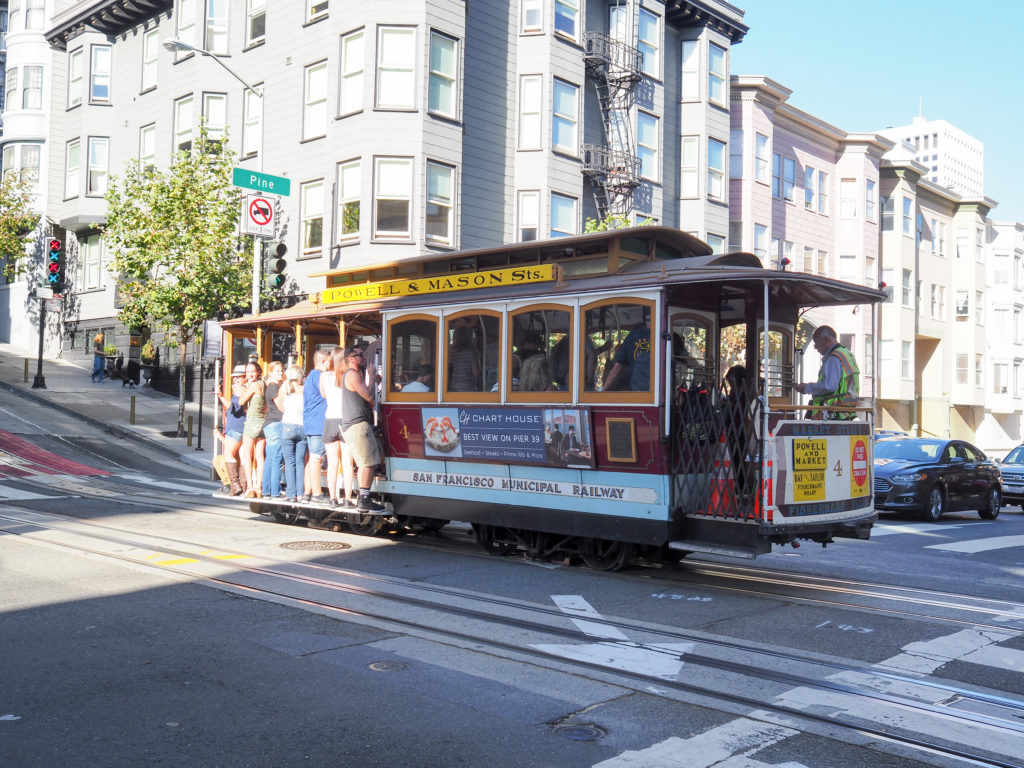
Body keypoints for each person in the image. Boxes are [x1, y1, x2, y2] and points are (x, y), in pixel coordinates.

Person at [338, 344, 386, 513]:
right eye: (360, 356)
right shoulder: (352, 375)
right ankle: (364, 500)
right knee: (368, 463)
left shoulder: (353, 375)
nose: (364, 358)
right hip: (357, 425)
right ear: (350, 358)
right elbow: (369, 397)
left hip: (357, 424)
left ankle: (364, 498)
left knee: (369, 462)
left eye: (363, 355)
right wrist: (372, 378)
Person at [794, 325, 860, 420]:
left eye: (816, 343)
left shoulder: (834, 357)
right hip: (845, 413)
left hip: (833, 414)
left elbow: (829, 386)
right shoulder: (846, 354)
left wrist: (806, 388)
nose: (815, 347)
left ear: (827, 340)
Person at [320, 347, 356, 510]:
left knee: (332, 463)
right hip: (345, 420)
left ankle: (333, 498)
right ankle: (348, 498)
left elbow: (323, 395)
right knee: (348, 463)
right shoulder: (348, 376)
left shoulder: (324, 376)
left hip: (330, 420)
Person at [302, 349, 331, 503]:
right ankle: (317, 494)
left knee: (312, 458)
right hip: (319, 422)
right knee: (315, 458)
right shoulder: (321, 376)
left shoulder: (310, 376)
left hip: (310, 422)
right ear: (324, 362)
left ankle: (307, 492)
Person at [214, 365, 248, 496]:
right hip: (245, 427)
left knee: (229, 455)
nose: (236, 380)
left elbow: (235, 409)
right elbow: (231, 408)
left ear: (244, 378)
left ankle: (235, 485)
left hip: (235, 427)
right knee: (244, 457)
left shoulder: (240, 390)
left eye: (239, 377)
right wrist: (221, 396)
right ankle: (245, 487)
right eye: (235, 378)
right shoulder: (248, 389)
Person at [278, 365, 307, 503]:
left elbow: (280, 407)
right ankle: (301, 494)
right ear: (299, 376)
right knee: (300, 462)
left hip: (287, 426)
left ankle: (291, 494)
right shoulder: (305, 390)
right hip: (303, 427)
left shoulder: (283, 389)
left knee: (289, 462)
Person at [238, 361, 267, 498]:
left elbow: (241, 401)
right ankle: (259, 487)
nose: (250, 374)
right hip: (262, 422)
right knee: (260, 456)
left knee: (247, 455)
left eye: (252, 371)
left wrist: (242, 388)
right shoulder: (263, 384)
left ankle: (250, 487)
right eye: (248, 371)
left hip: (252, 422)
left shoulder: (254, 385)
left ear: (258, 372)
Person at [603, 317, 651, 392]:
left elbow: (617, 368)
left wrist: (603, 391)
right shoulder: (658, 334)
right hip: (655, 389)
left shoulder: (632, 336)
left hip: (637, 391)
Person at [261, 361, 286, 499]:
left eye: (281, 370)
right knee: (276, 458)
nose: (280, 373)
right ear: (270, 373)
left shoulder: (272, 386)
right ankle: (275, 492)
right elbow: (280, 406)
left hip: (271, 423)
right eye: (277, 371)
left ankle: (267, 491)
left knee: (270, 458)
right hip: (275, 423)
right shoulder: (274, 387)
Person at [448, 325, 480, 391]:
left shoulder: (451, 352)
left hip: (455, 387)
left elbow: (448, 370)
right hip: (468, 387)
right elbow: (476, 373)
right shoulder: (471, 352)